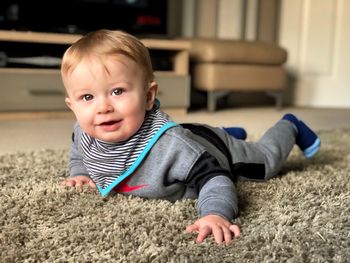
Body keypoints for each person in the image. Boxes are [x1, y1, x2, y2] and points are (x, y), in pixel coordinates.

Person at [60, 29, 321, 245]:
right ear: (72, 106)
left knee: (267, 163)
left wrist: (215, 214)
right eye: (87, 97)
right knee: (193, 135)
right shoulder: (84, 130)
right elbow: (79, 149)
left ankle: (290, 126)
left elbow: (215, 178)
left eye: (117, 91)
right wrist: (80, 172)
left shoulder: (173, 146)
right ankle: (230, 131)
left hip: (217, 150)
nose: (103, 107)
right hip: (192, 135)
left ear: (149, 96)